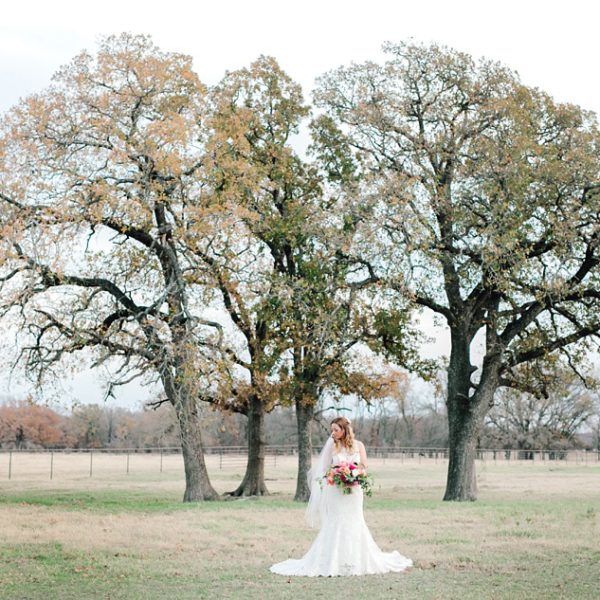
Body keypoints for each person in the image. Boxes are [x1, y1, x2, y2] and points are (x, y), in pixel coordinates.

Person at [270, 416, 413, 577]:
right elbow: (323, 469)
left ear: (344, 430)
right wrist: (338, 474)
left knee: (355, 521)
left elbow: (364, 465)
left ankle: (356, 560)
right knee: (336, 522)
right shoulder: (332, 446)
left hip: (354, 492)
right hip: (336, 491)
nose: (333, 433)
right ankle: (332, 560)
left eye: (336, 430)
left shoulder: (359, 445)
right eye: (332, 430)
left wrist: (355, 474)